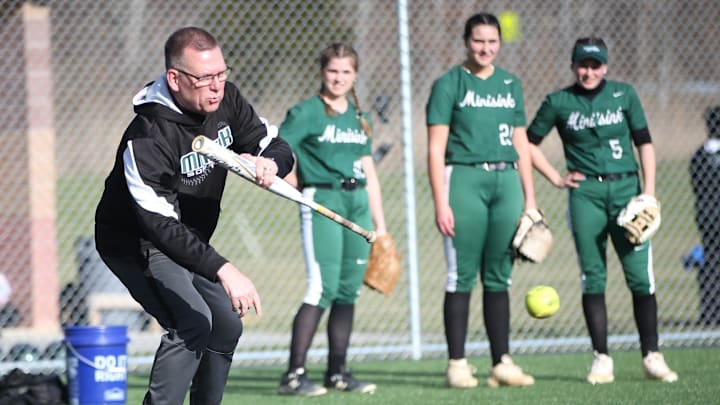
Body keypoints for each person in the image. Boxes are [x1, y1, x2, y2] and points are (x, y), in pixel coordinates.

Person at [94, 27, 294, 404]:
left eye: (221, 73)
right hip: (139, 242)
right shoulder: (148, 136)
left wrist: (269, 163)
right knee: (192, 322)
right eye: (204, 78)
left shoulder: (226, 101)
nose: (216, 86)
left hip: (187, 239)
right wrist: (224, 269)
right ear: (175, 78)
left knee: (226, 326)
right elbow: (160, 227)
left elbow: (276, 145)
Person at [527, 37, 678, 384]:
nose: (589, 71)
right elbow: (527, 142)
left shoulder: (624, 95)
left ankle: (652, 355)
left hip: (627, 191)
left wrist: (649, 195)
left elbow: (644, 143)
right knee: (593, 277)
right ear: (573, 65)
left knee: (640, 277)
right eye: (583, 64)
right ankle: (601, 359)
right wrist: (555, 177)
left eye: (595, 65)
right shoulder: (559, 101)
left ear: (606, 66)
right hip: (586, 196)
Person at [425, 13, 538, 389]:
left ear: (500, 43)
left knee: (499, 277)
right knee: (461, 275)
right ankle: (457, 363)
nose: (485, 48)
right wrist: (441, 201)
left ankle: (501, 361)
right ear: (466, 41)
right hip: (464, 180)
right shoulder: (449, 84)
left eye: (492, 41)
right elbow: (436, 147)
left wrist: (530, 199)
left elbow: (521, 142)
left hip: (507, 181)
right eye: (478, 40)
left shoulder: (511, 83)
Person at [276, 42, 388, 396]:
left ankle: (337, 371)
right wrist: (297, 185)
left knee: (347, 290)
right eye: (332, 71)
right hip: (323, 199)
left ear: (355, 75)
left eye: (346, 72)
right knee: (320, 288)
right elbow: (278, 150)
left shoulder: (360, 118)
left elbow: (368, 169)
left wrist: (380, 226)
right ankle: (293, 375)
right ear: (322, 72)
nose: (338, 78)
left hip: (357, 203)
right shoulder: (306, 112)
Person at [689, 105, 720, 326]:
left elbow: (695, 185)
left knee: (711, 261)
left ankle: (710, 312)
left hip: (705, 214)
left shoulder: (699, 154)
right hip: (712, 213)